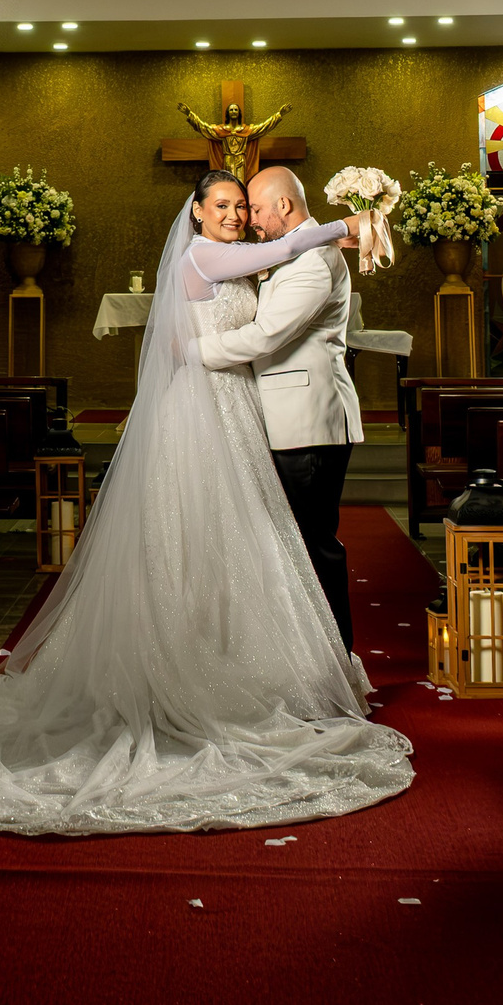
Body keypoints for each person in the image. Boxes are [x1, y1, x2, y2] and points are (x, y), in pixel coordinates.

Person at [0, 170, 412, 836]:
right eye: (225, 205)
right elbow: (268, 268)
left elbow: (271, 274)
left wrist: (335, 232)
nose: (238, 215)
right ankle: (207, 669)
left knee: (253, 543)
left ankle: (258, 663)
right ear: (197, 212)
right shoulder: (204, 255)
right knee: (213, 540)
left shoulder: (253, 256)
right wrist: (344, 225)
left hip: (243, 410)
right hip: (206, 411)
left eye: (244, 205)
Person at [187, 166, 364, 648]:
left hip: (307, 422)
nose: (250, 221)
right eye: (232, 207)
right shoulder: (295, 252)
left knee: (313, 547)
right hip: (287, 418)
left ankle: (335, 659)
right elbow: (264, 259)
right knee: (296, 546)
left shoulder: (311, 259)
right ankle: (311, 658)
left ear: (284, 206)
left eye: (255, 208)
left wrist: (194, 352)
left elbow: (267, 335)